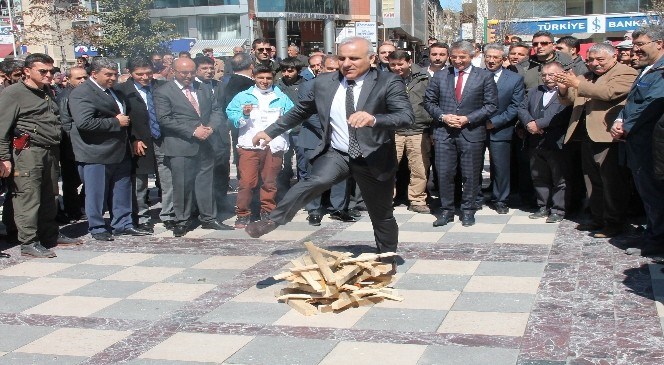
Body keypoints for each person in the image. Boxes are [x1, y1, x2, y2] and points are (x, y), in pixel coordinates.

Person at [245, 37, 414, 270]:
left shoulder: (388, 82)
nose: (347, 63)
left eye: (354, 58)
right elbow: (300, 111)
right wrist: (270, 131)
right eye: (342, 58)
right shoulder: (324, 83)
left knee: (382, 214)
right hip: (339, 153)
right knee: (315, 180)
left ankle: (386, 258)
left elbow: (405, 116)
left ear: (371, 59)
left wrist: (374, 119)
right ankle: (273, 220)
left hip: (373, 156)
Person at [0, 53, 80, 258]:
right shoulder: (13, 93)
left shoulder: (46, 91)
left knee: (48, 195)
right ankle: (28, 242)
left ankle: (49, 234)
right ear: (27, 71)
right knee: (28, 197)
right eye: (42, 71)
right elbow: (2, 128)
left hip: (49, 151)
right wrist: (4, 158)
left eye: (51, 71)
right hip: (28, 153)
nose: (48, 75)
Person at [556, 43, 638, 238]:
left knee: (612, 182)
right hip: (585, 134)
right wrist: (563, 88)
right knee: (592, 180)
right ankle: (598, 217)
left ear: (614, 57)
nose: (594, 64)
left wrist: (576, 84)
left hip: (608, 136)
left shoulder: (626, 72)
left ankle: (614, 222)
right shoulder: (587, 76)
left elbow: (608, 93)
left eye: (600, 60)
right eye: (590, 60)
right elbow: (569, 99)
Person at [69, 57, 151, 241]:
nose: (112, 78)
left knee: (121, 190)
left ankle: (123, 224)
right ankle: (97, 227)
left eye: (115, 74)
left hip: (119, 150)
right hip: (95, 152)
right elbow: (84, 122)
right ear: (94, 74)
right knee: (96, 193)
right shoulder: (82, 93)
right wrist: (115, 122)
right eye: (108, 74)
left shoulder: (113, 91)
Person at [153, 57, 232, 237]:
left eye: (191, 72)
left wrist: (210, 127)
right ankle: (182, 220)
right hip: (181, 145)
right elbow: (164, 119)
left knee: (206, 183)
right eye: (184, 73)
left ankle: (209, 218)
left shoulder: (203, 88)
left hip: (206, 143)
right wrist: (192, 131)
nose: (188, 76)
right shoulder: (164, 91)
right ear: (174, 72)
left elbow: (216, 110)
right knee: (182, 185)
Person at [423, 40, 498, 227]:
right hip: (444, 133)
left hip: (471, 132)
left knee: (471, 174)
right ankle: (446, 211)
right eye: (454, 56)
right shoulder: (440, 76)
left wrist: (468, 118)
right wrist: (442, 116)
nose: (457, 61)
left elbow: (491, 105)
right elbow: (429, 102)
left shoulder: (483, 76)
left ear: (471, 56)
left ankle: (468, 211)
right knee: (444, 173)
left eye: (462, 57)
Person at [610, 25, 664, 257]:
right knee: (647, 194)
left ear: (659, 43)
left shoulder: (661, 71)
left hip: (650, 145)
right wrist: (620, 119)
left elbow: (651, 106)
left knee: (654, 194)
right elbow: (633, 102)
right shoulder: (647, 69)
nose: (635, 50)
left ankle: (657, 241)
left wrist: (626, 126)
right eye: (634, 45)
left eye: (641, 44)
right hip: (636, 143)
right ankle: (653, 233)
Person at [226, 65, 294, 228]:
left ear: (273, 79)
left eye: (268, 78)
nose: (265, 81)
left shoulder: (282, 97)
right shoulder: (243, 96)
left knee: (270, 182)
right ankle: (243, 213)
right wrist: (244, 114)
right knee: (247, 182)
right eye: (261, 78)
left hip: (273, 145)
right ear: (254, 77)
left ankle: (268, 211)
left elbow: (293, 118)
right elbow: (231, 116)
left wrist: (283, 122)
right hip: (249, 145)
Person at [116, 56, 173, 232]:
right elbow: (123, 118)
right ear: (130, 73)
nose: (145, 77)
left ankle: (169, 215)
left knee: (167, 179)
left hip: (162, 139)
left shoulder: (162, 87)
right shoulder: (122, 91)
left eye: (148, 73)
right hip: (139, 141)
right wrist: (133, 139)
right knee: (139, 183)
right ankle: (141, 216)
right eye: (139, 74)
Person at [297, 55, 353, 225]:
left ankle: (338, 208)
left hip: (340, 139)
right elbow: (309, 114)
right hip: (314, 137)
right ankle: (314, 210)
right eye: (330, 69)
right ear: (320, 68)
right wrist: (333, 127)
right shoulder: (308, 86)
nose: (334, 72)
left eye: (337, 69)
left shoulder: (348, 87)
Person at [518, 62, 572, 223]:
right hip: (535, 141)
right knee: (538, 176)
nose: (547, 78)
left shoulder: (567, 92)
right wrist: (529, 123)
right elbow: (521, 107)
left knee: (559, 178)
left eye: (551, 75)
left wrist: (539, 124)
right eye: (544, 75)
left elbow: (563, 113)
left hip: (556, 140)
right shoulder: (535, 91)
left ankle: (558, 209)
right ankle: (542, 205)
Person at [387, 50, 432, 213]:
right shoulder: (384, 78)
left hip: (418, 128)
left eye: (400, 64)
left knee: (419, 167)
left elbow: (431, 100)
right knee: (388, 167)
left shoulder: (424, 77)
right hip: (393, 129)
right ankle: (385, 199)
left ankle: (417, 199)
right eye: (393, 65)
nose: (397, 68)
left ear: (409, 62)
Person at [482, 43, 525, 215]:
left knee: (501, 167)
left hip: (501, 129)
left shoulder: (514, 79)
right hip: (475, 128)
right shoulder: (476, 76)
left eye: (496, 58)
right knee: (473, 165)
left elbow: (516, 106)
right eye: (488, 57)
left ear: (503, 59)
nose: (491, 61)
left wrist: (496, 122)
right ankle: (475, 196)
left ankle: (500, 199)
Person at [57, 67, 88, 223]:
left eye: (85, 77)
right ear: (68, 79)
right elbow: (65, 124)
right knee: (71, 181)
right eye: (78, 78)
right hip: (71, 146)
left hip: (82, 144)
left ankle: (79, 207)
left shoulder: (83, 94)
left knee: (85, 179)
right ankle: (73, 210)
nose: (83, 80)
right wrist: (70, 148)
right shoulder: (66, 97)